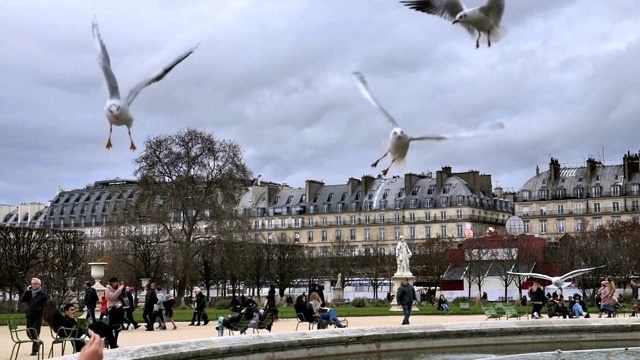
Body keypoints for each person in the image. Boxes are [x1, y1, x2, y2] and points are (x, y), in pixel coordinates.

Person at [19, 277, 48, 356]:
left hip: (38, 315)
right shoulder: (29, 292)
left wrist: (44, 313)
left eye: (35, 284)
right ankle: (37, 343)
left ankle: (34, 350)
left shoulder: (43, 293)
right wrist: (26, 291)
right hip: (29, 314)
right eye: (32, 284)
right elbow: (22, 300)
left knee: (35, 331)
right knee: (29, 331)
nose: (33, 285)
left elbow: (47, 304)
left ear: (39, 284)